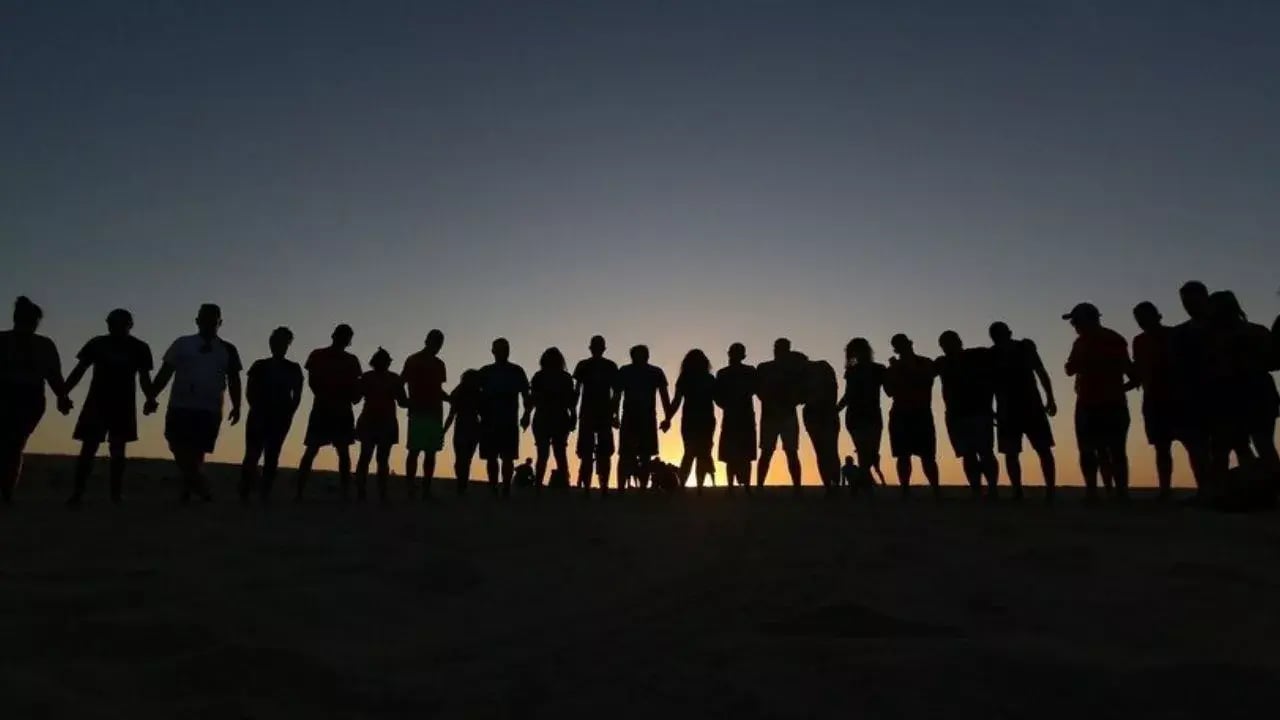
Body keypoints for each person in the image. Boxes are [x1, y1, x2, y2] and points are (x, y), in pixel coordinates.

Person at [147, 303, 242, 502]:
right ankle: (201, 485)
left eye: (213, 320)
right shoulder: (183, 343)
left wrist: (237, 405)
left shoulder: (227, 349)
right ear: (197, 321)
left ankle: (188, 490)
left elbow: (234, 379)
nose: (208, 324)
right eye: (204, 319)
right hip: (180, 405)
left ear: (220, 322)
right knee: (177, 444)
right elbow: (166, 372)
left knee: (197, 450)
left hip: (209, 408)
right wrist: (152, 395)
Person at [64, 308, 153, 506]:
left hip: (123, 405)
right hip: (97, 402)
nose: (116, 328)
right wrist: (63, 392)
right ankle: (78, 493)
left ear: (129, 325)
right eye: (113, 323)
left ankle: (115, 494)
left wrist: (150, 398)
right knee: (89, 448)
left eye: (120, 324)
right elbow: (79, 370)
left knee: (118, 450)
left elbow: (145, 378)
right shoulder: (97, 344)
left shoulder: (139, 348)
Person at [1, 297, 71, 504]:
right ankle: (7, 492)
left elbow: (54, 376)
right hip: (22, 397)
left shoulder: (41, 345)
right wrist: (62, 397)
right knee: (14, 447)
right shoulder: (43, 345)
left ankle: (6, 492)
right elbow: (55, 377)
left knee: (12, 445)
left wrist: (62, 397)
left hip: (24, 398)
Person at [1204, 291, 1280, 484]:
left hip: (1244, 393)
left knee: (1242, 445)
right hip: (1251, 393)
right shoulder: (1257, 331)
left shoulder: (1217, 337)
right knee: (1253, 445)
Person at [1064, 303, 1135, 503]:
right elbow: (1070, 368)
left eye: (1076, 321)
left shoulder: (1110, 340)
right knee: (1096, 450)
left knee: (1111, 450)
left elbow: (1128, 370)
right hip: (1090, 402)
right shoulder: (1084, 342)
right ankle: (1098, 492)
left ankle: (1115, 492)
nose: (1074, 325)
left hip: (1106, 404)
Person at [988, 322, 1058, 501]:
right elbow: (988, 385)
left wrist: (1050, 397)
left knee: (1042, 449)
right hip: (1009, 409)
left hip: (1030, 406)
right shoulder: (992, 355)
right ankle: (1018, 490)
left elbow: (1041, 372)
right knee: (1013, 452)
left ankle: (1049, 490)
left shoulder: (1024, 347)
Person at [296, 325, 362, 501]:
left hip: (338, 409)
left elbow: (356, 387)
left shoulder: (350, 360)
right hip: (325, 408)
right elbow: (313, 382)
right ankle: (300, 491)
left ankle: (343, 492)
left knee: (341, 451)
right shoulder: (318, 355)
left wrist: (352, 396)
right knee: (314, 449)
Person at [240, 327, 303, 503]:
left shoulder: (293, 368)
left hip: (279, 417)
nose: (277, 345)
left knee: (272, 455)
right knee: (252, 454)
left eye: (282, 342)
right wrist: (258, 408)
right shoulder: (259, 365)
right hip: (259, 414)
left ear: (287, 344)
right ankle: (246, 490)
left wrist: (288, 413)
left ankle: (264, 492)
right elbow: (250, 391)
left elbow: (297, 395)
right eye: (275, 341)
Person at [935, 331, 998, 498]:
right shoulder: (942, 363)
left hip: (979, 412)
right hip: (957, 415)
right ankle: (976, 489)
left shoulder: (976, 355)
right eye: (944, 344)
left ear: (959, 342)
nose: (948, 347)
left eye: (951, 342)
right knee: (968, 454)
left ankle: (992, 488)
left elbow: (996, 354)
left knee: (985, 452)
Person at [1170, 281, 1216, 495]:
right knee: (1196, 447)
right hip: (1191, 397)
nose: (1189, 305)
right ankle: (1205, 489)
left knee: (1224, 446)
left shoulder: (1221, 329)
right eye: (1185, 302)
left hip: (1222, 395)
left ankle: (1220, 489)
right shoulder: (1181, 333)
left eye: (1192, 300)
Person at [1131, 302, 1179, 500]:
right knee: (1161, 446)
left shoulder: (1174, 335)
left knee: (1194, 443)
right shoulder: (1139, 341)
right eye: (1139, 319)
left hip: (1178, 397)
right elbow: (1138, 371)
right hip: (1153, 399)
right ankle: (1165, 489)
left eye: (1145, 317)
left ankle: (1205, 487)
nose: (1142, 322)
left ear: (1156, 315)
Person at [883, 334, 939, 497]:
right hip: (901, 414)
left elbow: (926, 379)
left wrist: (902, 370)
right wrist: (894, 371)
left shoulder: (925, 362)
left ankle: (936, 490)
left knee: (927, 456)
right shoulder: (894, 368)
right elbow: (889, 391)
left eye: (903, 344)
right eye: (898, 345)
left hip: (921, 413)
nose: (902, 348)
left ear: (909, 344)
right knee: (903, 455)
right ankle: (905, 490)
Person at [614, 344, 671, 491]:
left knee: (643, 455)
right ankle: (623, 487)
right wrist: (613, 415)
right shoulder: (627, 371)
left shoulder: (654, 372)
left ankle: (641, 488)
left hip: (644, 419)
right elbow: (617, 396)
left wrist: (668, 418)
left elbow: (665, 397)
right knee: (627, 455)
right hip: (633, 418)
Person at [478, 338, 531, 496]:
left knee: (508, 457)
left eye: (505, 349)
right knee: (491, 457)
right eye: (499, 349)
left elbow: (526, 395)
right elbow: (473, 391)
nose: (503, 352)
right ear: (493, 351)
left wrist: (527, 415)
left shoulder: (517, 371)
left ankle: (506, 488)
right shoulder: (485, 372)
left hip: (508, 420)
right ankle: (493, 487)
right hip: (489, 420)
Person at [355, 347, 408, 502]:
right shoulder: (369, 377)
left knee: (379, 458)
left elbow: (403, 402)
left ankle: (379, 493)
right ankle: (365, 492)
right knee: (368, 457)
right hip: (372, 421)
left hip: (384, 422)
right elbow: (356, 397)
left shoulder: (391, 379)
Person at [402, 330, 447, 499]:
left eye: (440, 343)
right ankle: (410, 486)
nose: (437, 346)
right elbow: (402, 381)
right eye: (435, 342)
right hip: (419, 411)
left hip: (435, 412)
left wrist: (449, 399)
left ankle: (426, 487)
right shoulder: (413, 360)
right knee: (414, 450)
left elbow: (438, 388)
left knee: (431, 452)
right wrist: (405, 401)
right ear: (427, 340)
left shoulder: (439, 364)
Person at [755, 338, 806, 489]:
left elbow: (801, 391)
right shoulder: (765, 368)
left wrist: (791, 401)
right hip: (774, 415)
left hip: (784, 415)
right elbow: (759, 390)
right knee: (769, 453)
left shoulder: (793, 370)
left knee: (789, 453)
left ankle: (796, 487)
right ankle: (760, 486)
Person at [837, 338, 887, 487]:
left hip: (870, 415)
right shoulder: (853, 371)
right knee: (865, 452)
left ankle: (862, 481)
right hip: (857, 416)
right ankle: (864, 484)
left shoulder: (878, 369)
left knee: (870, 453)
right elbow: (848, 394)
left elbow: (889, 390)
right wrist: (837, 409)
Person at [572, 335, 619, 495]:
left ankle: (602, 485)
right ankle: (590, 486)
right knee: (588, 453)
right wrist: (573, 411)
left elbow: (616, 393)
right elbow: (577, 390)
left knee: (602, 452)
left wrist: (614, 414)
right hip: (590, 414)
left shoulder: (608, 366)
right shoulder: (585, 365)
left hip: (599, 414)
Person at [664, 349, 716, 492]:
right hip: (702, 420)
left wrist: (668, 418)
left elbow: (676, 401)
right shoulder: (707, 379)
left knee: (692, 453)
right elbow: (676, 401)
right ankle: (696, 485)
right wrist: (667, 418)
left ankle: (685, 485)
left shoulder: (687, 379)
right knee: (701, 453)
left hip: (693, 420)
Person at [529, 347, 575, 490]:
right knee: (557, 452)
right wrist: (573, 416)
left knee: (546, 453)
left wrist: (573, 416)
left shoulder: (541, 376)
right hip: (553, 417)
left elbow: (533, 399)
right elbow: (571, 402)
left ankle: (540, 485)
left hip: (550, 417)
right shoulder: (562, 377)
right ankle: (561, 484)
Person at [713, 342, 757, 493]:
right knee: (734, 454)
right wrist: (727, 405)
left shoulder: (748, 371)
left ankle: (742, 486)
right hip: (735, 416)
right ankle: (736, 487)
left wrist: (728, 404)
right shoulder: (724, 373)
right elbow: (717, 396)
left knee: (743, 454)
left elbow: (754, 389)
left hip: (741, 416)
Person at [802, 358, 842, 492]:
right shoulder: (823, 367)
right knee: (829, 451)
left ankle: (831, 486)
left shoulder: (810, 370)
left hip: (820, 413)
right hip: (823, 412)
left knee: (823, 452)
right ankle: (832, 486)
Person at [442, 369, 482, 494]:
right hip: (468, 427)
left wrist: (443, 431)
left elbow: (451, 414)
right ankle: (462, 483)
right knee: (464, 459)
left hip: (468, 427)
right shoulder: (464, 393)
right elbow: (452, 414)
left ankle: (462, 483)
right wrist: (443, 431)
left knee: (463, 458)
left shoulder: (474, 394)